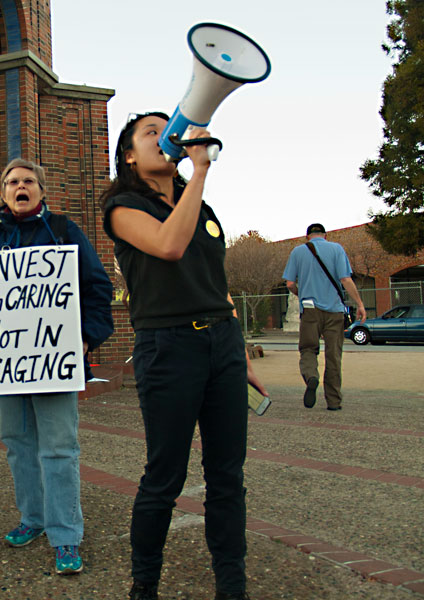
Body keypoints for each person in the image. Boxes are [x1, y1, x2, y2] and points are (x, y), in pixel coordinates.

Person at [101, 112, 268, 600]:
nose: (165, 136)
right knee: (165, 475)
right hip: (168, 348)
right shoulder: (122, 207)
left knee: (227, 476)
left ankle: (231, 585)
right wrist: (199, 171)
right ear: (129, 155)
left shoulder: (204, 208)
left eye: (166, 128)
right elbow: (169, 246)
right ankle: (145, 586)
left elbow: (218, 285)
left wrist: (240, 352)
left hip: (221, 344)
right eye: (150, 132)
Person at [0, 158, 114, 576]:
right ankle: (34, 518)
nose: (20, 186)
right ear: (3, 193)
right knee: (18, 442)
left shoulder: (64, 231)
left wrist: (86, 336)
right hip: (7, 363)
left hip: (55, 360)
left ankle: (65, 535)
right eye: (11, 182)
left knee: (59, 447)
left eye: (28, 181)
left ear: (41, 190)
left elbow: (97, 287)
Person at [283, 223, 366, 410]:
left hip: (310, 310)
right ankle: (334, 401)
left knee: (307, 349)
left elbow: (289, 283)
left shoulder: (297, 252)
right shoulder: (337, 249)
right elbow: (345, 279)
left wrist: (301, 292)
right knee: (334, 355)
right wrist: (359, 304)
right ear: (325, 235)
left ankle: (311, 376)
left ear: (307, 237)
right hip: (334, 310)